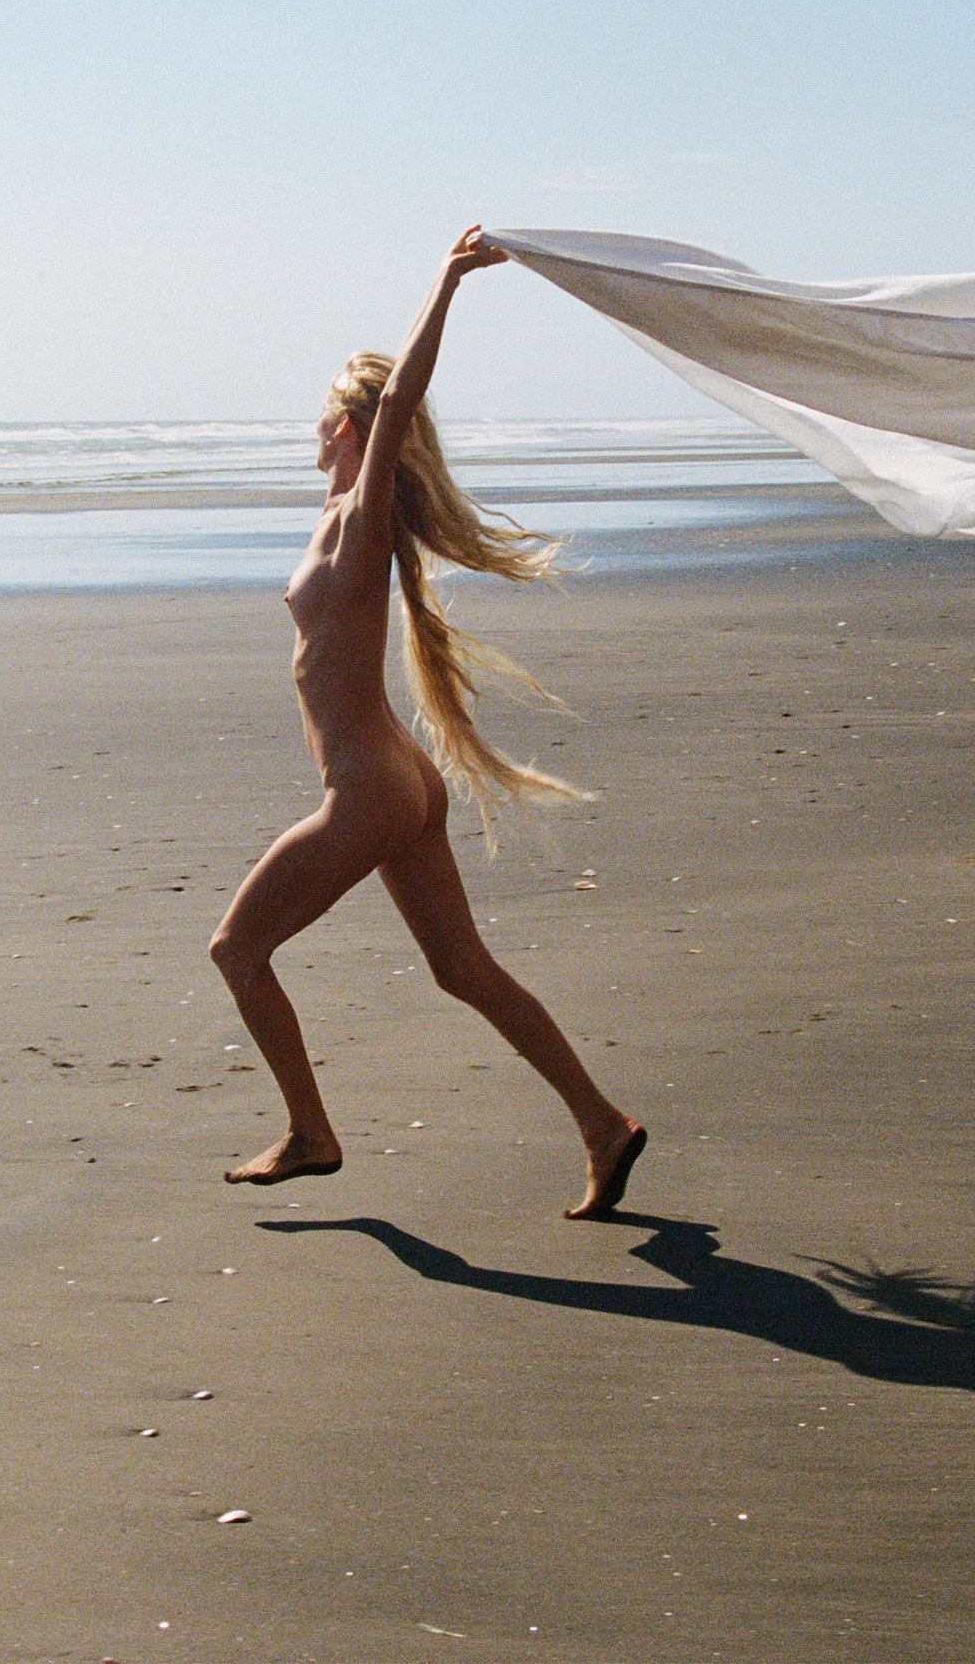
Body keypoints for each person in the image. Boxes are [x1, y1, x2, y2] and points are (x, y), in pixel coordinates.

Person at [208, 226, 646, 1219]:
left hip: (367, 787)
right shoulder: (336, 522)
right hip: (395, 776)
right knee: (463, 970)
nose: (314, 435)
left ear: (355, 431)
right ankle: (602, 1124)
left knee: (237, 950)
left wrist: (446, 283)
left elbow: (401, 395)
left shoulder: (363, 518)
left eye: (326, 421)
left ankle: (312, 1135)